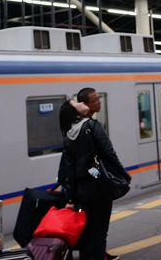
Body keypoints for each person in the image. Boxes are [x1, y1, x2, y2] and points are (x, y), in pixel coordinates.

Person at [59, 88, 130, 260]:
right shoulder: (93, 126)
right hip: (96, 187)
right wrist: (123, 175)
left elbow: (78, 165)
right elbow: (109, 153)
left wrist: (75, 104)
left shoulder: (70, 129)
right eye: (95, 100)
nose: (99, 102)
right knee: (99, 229)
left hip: (80, 188)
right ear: (86, 105)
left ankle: (92, 255)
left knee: (88, 227)